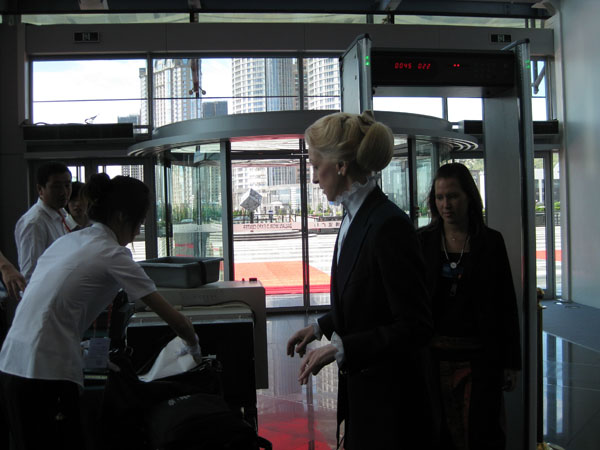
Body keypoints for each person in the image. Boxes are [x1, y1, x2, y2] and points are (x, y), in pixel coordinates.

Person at [0, 173, 201, 450]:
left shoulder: (69, 241)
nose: (138, 232)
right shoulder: (113, 253)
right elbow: (175, 320)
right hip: (46, 369)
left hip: (12, 361)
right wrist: (194, 349)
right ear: (120, 217)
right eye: (139, 223)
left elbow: (50, 303)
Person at [286, 111, 437, 449]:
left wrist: (341, 348)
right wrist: (321, 326)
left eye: (314, 165)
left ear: (341, 166)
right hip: (368, 398)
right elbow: (370, 297)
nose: (313, 178)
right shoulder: (357, 216)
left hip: (393, 407)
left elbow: (416, 326)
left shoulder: (388, 225)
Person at [417, 162, 522, 450]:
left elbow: (505, 304)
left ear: (469, 197)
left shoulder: (490, 242)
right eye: (439, 197)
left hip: (480, 358)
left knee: (480, 432)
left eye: (453, 196)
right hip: (433, 358)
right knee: (440, 434)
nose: (445, 204)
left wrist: (511, 362)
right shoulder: (423, 241)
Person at [14, 161, 73, 281]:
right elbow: (30, 275)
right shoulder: (35, 222)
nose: (63, 192)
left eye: (67, 185)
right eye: (56, 186)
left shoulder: (61, 215)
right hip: (45, 297)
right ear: (40, 189)